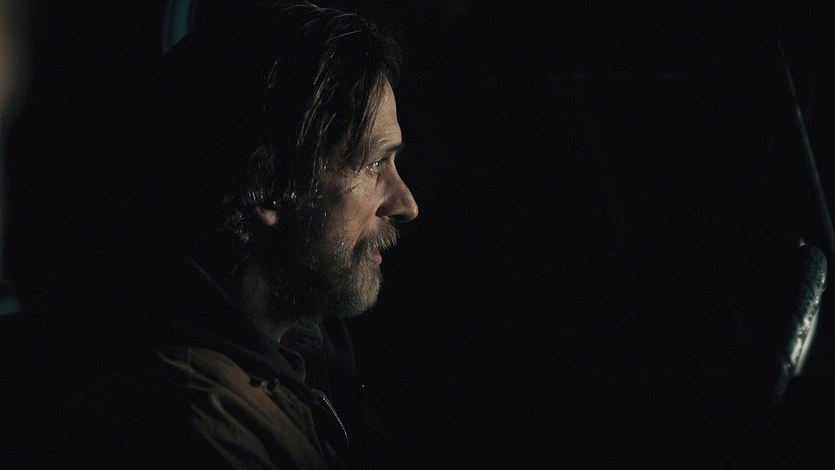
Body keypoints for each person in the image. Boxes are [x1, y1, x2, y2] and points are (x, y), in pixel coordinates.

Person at [8, 1, 419, 468]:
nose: (406, 204)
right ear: (271, 187)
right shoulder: (201, 425)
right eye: (373, 164)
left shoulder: (303, 342)